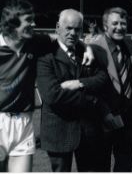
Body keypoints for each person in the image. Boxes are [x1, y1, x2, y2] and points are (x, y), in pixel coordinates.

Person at [0, 0, 93, 172]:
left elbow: (65, 36)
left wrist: (87, 48)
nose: (34, 24)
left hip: (23, 121)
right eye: (28, 20)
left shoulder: (36, 42)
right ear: (11, 24)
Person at [36, 9, 110, 172]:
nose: (73, 33)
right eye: (68, 28)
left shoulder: (87, 53)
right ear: (57, 28)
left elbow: (103, 79)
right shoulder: (46, 55)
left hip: (88, 129)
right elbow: (52, 95)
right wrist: (91, 100)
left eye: (77, 29)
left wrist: (79, 83)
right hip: (58, 129)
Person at [90, 7, 132, 172]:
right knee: (101, 165)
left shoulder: (130, 44)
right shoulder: (93, 48)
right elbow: (90, 88)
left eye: (123, 23)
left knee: (125, 165)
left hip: (128, 119)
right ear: (105, 26)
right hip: (104, 118)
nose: (119, 27)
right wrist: (105, 112)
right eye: (115, 23)